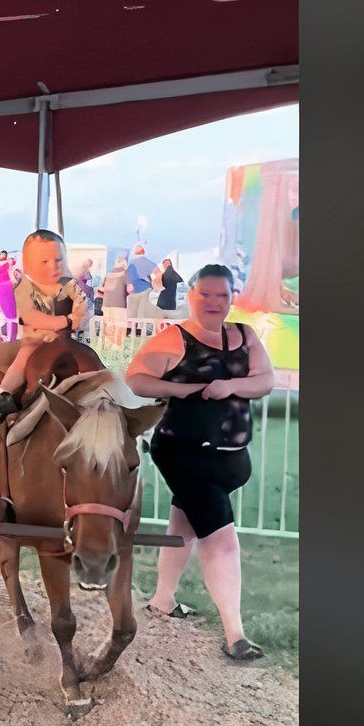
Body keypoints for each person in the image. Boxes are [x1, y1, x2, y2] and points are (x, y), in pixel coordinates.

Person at [122, 263, 276, 661]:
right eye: (205, 294)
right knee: (220, 535)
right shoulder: (175, 339)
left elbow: (264, 380)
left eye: (221, 295)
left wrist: (230, 386)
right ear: (190, 296)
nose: (213, 302)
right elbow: (137, 378)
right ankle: (235, 635)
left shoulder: (244, 335)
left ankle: (162, 600)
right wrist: (189, 389)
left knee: (185, 522)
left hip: (232, 457)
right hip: (184, 452)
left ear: (231, 299)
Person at [0, 230, 93, 414]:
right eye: (44, 262)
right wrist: (65, 320)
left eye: (58, 260)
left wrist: (80, 312)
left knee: (91, 359)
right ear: (28, 265)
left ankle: (105, 390)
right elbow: (30, 316)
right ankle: (5, 392)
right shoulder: (24, 288)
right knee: (23, 358)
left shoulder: (69, 284)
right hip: (36, 339)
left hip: (67, 339)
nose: (53, 266)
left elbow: (82, 309)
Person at [126, 243, 159, 322]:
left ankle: (134, 327)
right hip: (147, 290)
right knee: (143, 310)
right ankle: (141, 327)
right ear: (144, 252)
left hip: (135, 290)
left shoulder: (131, 263)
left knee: (133, 311)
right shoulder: (149, 263)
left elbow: (129, 281)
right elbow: (158, 274)